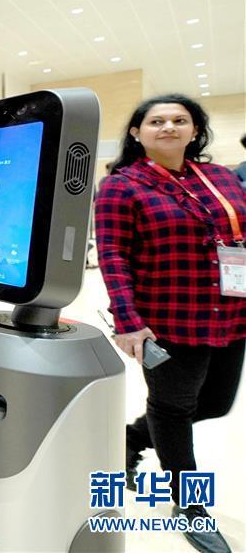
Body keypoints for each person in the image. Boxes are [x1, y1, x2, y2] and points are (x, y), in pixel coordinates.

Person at [95, 94, 245, 553]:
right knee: (174, 409)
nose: (168, 127)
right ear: (137, 132)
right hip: (169, 319)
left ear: (195, 130)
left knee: (215, 404)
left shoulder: (221, 178)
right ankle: (191, 505)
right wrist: (127, 320)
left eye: (180, 120)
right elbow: (113, 256)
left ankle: (130, 438)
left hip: (231, 313)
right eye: (156, 121)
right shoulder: (122, 186)